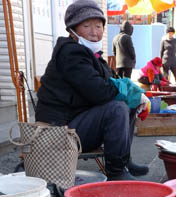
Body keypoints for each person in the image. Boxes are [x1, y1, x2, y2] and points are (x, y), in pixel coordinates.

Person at [35, 0, 150, 180]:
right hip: (59, 130)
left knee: (129, 103)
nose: (94, 32)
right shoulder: (71, 54)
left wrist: (135, 94)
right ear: (72, 30)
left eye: (98, 26)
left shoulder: (93, 56)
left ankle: (124, 160)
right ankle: (116, 172)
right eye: (86, 26)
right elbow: (99, 92)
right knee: (117, 108)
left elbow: (111, 80)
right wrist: (126, 91)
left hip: (76, 120)